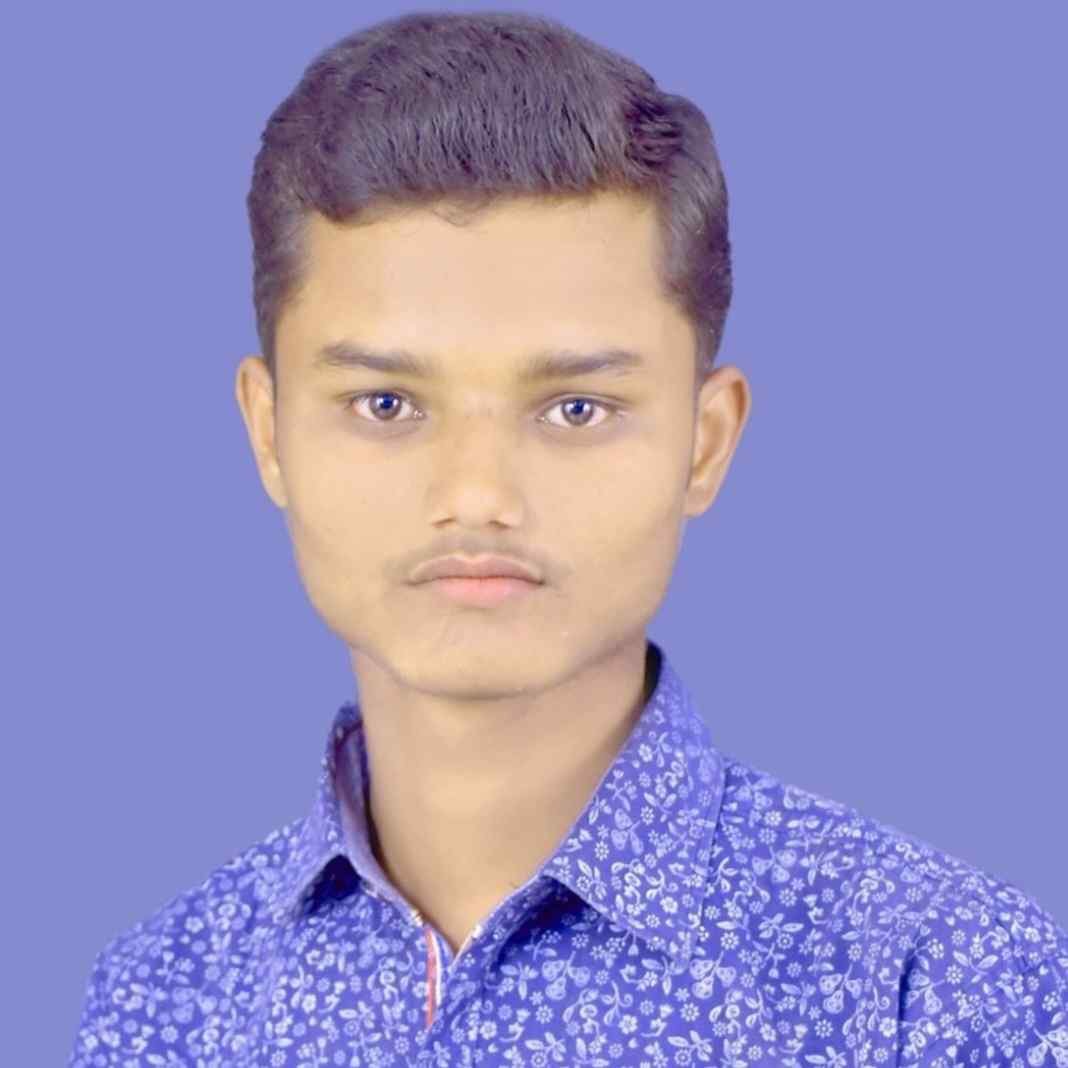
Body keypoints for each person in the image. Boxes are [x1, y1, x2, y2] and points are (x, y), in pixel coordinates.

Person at [68, 10, 1067, 1067]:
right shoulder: (162, 1000)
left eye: (576, 409)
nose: (477, 494)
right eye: (386, 405)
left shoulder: (934, 985)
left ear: (705, 443)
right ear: (269, 433)